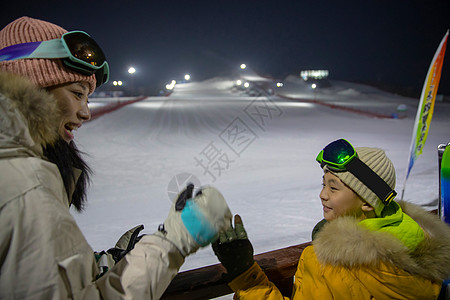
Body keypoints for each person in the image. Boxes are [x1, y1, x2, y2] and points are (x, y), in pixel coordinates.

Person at [0, 16, 232, 299]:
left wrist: (104, 264)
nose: (85, 113)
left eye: (88, 98)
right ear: (29, 87)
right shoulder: (25, 189)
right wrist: (175, 240)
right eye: (77, 94)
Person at [212, 138, 450, 299]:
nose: (322, 194)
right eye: (323, 184)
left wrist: (246, 276)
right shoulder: (411, 242)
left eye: (333, 188)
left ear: (368, 202)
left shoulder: (335, 266)